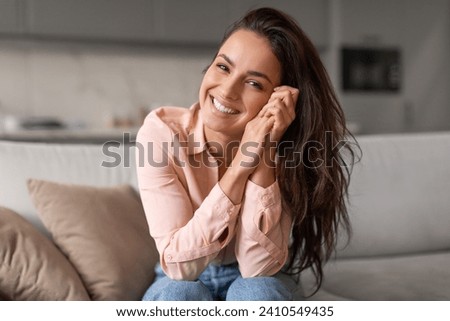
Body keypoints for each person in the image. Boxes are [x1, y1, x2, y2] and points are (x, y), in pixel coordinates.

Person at [136, 7, 357, 301]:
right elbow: (179, 267)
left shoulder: (289, 147)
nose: (227, 90)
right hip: (178, 274)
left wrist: (264, 151)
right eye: (223, 67)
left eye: (254, 83)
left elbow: (257, 266)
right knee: (179, 293)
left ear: (277, 99)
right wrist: (241, 165)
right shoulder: (162, 133)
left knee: (258, 291)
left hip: (257, 275)